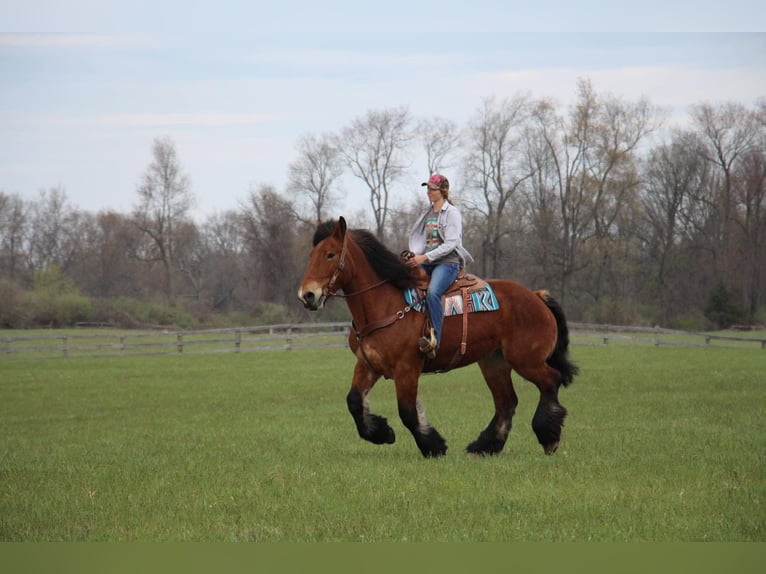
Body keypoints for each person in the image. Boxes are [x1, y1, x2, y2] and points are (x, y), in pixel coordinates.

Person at [406, 173, 474, 358]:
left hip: (447, 263)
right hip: (427, 260)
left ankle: (435, 340)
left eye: (432, 189)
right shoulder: (427, 212)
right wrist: (415, 256)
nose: (428, 192)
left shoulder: (452, 213)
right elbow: (423, 240)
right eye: (427, 188)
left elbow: (451, 243)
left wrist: (424, 258)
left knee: (433, 292)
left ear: (442, 191)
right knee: (402, 280)